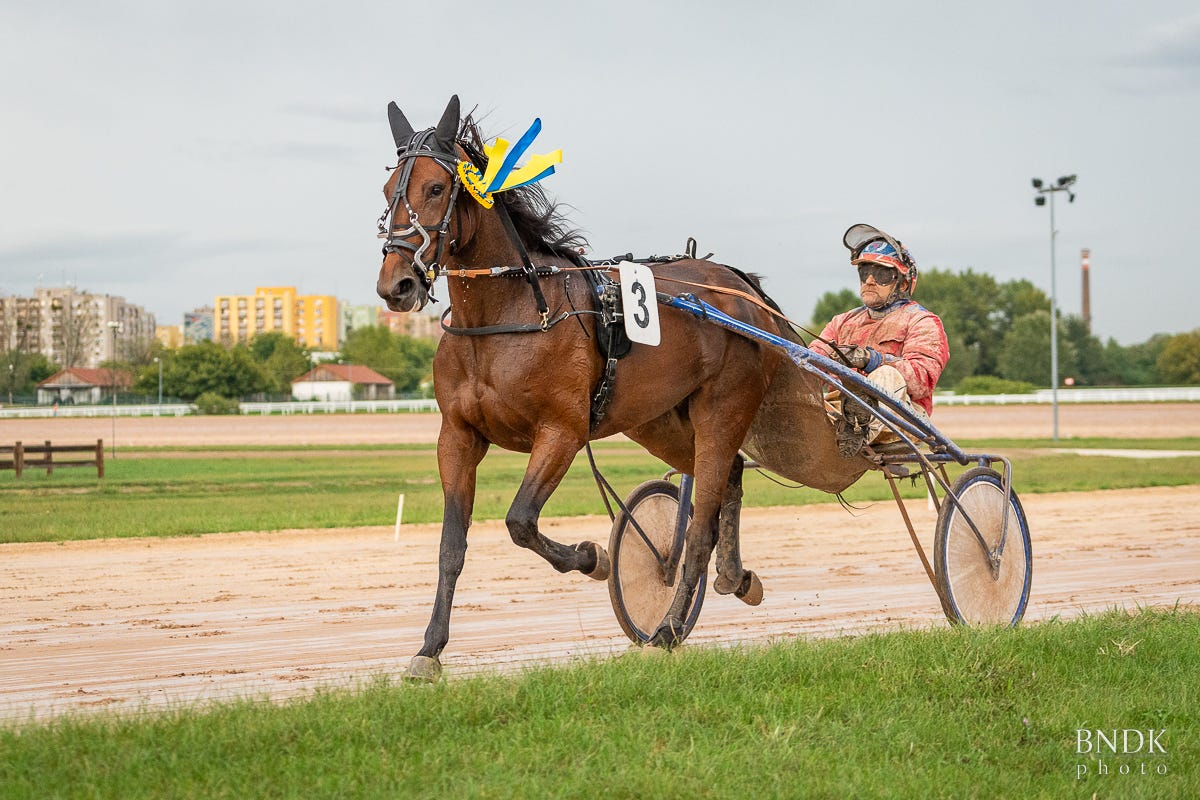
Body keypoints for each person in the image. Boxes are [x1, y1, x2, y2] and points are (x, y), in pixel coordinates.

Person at [809, 223, 949, 455]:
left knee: (886, 374)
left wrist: (872, 360)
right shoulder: (841, 321)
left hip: (903, 420)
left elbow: (921, 380)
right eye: (865, 273)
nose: (870, 281)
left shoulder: (922, 321)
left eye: (882, 274)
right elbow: (812, 362)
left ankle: (857, 428)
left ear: (903, 283)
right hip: (838, 410)